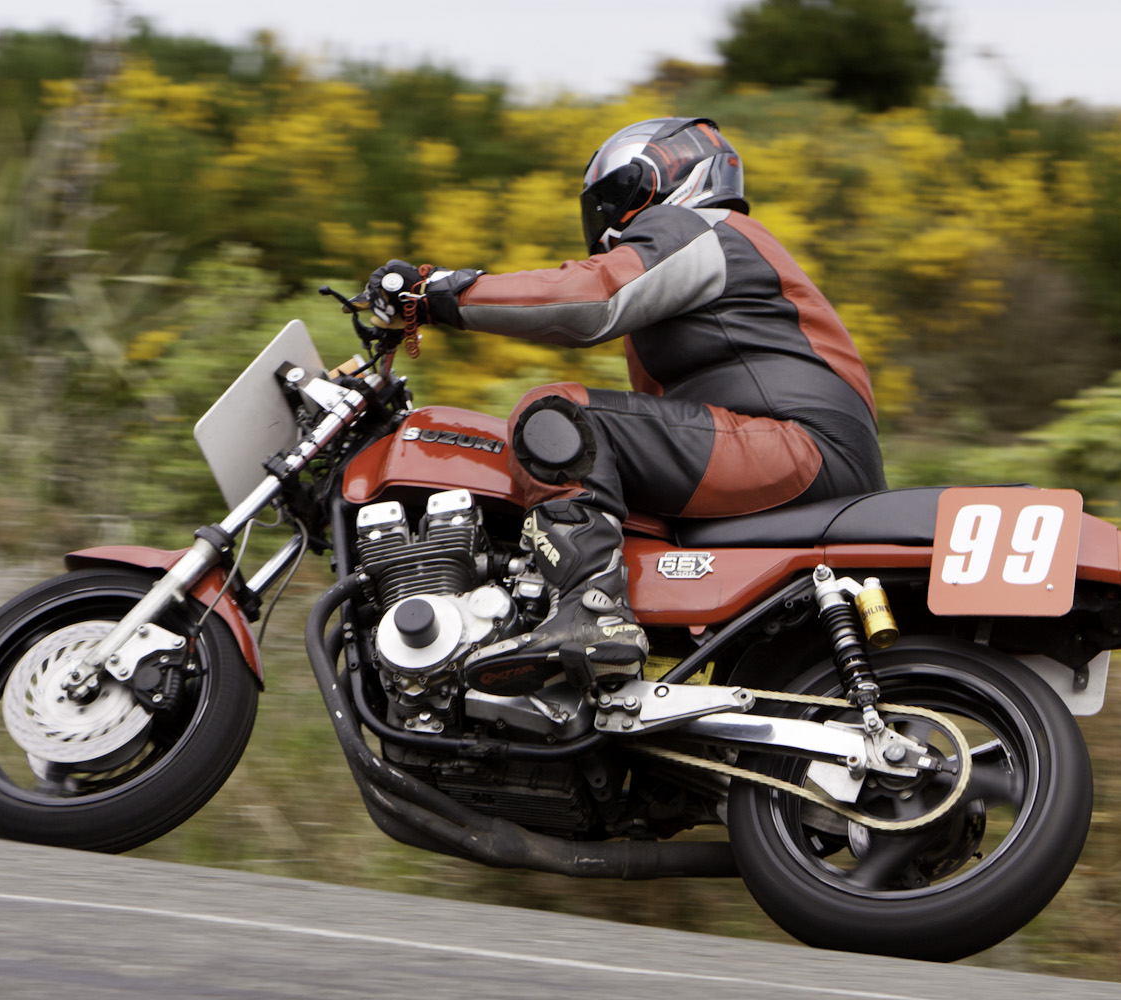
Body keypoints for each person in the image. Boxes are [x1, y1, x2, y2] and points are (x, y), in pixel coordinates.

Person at [364, 117, 885, 697]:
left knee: (556, 415)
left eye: (617, 194)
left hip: (794, 444)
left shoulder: (700, 228)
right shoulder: (707, 273)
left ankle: (592, 608)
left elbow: (591, 297)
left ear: (656, 179)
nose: (612, 214)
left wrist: (442, 293)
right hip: (792, 453)